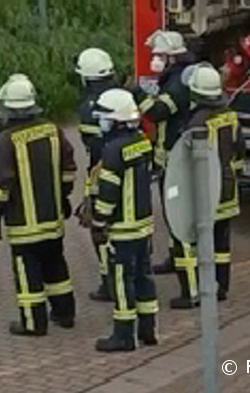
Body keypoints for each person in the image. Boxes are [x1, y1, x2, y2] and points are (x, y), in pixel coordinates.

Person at [0, 74, 77, 336]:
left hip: (23, 224)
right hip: (53, 218)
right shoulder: (53, 130)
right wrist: (64, 197)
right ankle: (65, 313)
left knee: (27, 273)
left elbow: (1, 183)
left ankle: (32, 322)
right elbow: (68, 168)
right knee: (56, 265)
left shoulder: (7, 140)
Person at [171, 63, 245, 308]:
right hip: (228, 191)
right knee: (221, 244)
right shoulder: (230, 115)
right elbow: (239, 150)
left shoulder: (197, 123)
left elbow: (187, 163)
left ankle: (193, 292)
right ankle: (220, 288)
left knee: (190, 244)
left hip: (205, 193)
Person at [91, 89, 158, 352]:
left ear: (116, 120)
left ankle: (124, 336)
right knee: (144, 277)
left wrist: (99, 221)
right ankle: (148, 330)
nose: (101, 122)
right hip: (143, 224)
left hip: (122, 229)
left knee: (121, 280)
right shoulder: (142, 141)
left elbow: (108, 193)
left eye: (104, 118)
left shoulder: (112, 150)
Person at [130, 30, 196, 277]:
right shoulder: (173, 77)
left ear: (171, 57)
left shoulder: (178, 83)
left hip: (176, 159)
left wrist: (139, 93)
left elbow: (158, 112)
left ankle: (186, 272)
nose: (155, 60)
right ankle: (174, 256)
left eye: (159, 56)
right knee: (171, 214)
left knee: (178, 214)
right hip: (169, 158)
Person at [74, 48, 118, 302]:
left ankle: (108, 281)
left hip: (100, 174)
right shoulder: (123, 96)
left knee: (100, 229)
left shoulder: (88, 108)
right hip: (130, 171)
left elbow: (91, 144)